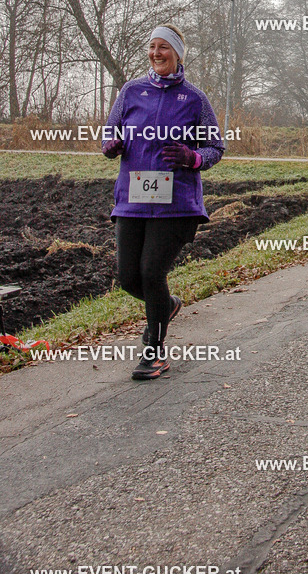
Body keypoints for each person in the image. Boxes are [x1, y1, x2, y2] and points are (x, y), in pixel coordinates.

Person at [101, 23, 224, 380]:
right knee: (129, 278)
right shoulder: (131, 91)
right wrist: (111, 145)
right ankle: (165, 305)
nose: (156, 53)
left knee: (152, 273)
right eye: (152, 47)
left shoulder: (195, 98)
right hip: (132, 200)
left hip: (176, 204)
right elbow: (110, 131)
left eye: (164, 47)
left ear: (177, 55)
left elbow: (215, 147)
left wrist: (192, 157)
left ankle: (154, 353)